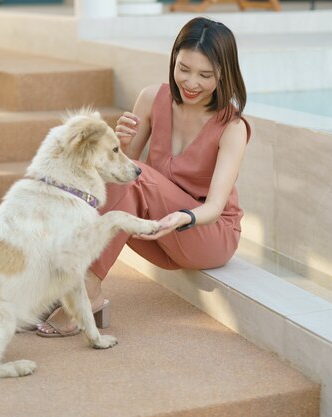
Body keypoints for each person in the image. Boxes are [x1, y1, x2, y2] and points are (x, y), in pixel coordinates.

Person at [36, 16, 251, 337]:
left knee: (135, 178)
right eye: (183, 69)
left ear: (224, 75)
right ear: (173, 61)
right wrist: (120, 144)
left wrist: (182, 217)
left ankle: (87, 291)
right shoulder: (152, 98)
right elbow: (118, 175)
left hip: (207, 233)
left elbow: (215, 207)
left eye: (205, 75)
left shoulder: (232, 127)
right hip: (158, 231)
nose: (191, 83)